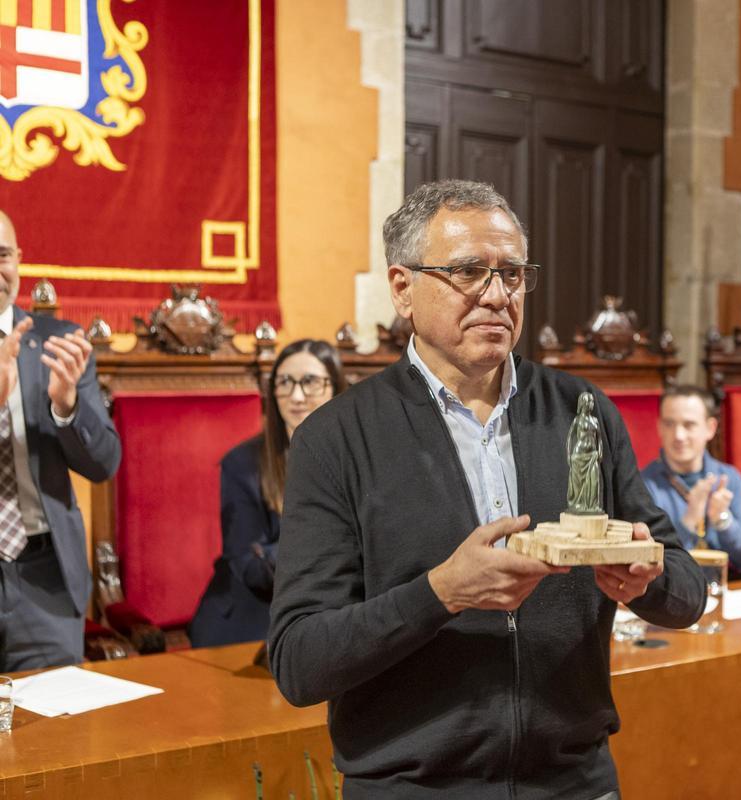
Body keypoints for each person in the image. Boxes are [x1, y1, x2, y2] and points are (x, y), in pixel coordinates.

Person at [268, 179, 705, 798]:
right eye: (470, 271)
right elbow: (299, 661)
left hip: (572, 780)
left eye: (513, 274)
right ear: (403, 289)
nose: (498, 295)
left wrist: (647, 578)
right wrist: (440, 594)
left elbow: (688, 592)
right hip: (414, 785)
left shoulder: (583, 413)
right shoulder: (336, 439)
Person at [0, 211, 122, 671]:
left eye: (3, 255)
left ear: (19, 261)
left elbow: (104, 463)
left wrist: (66, 405)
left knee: (55, 738)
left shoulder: (59, 343)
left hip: (44, 579)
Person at [188, 339, 346, 648]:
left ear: (335, 387)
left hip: (331, 617)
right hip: (251, 623)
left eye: (310, 382)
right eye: (285, 382)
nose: (296, 396)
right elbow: (250, 566)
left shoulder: (357, 457)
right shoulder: (242, 463)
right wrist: (331, 547)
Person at [640, 385, 741, 573]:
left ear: (710, 428)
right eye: (669, 424)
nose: (678, 435)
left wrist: (722, 519)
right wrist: (688, 521)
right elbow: (645, 564)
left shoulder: (730, 478)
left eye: (689, 425)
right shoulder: (643, 485)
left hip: (728, 591)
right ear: (659, 427)